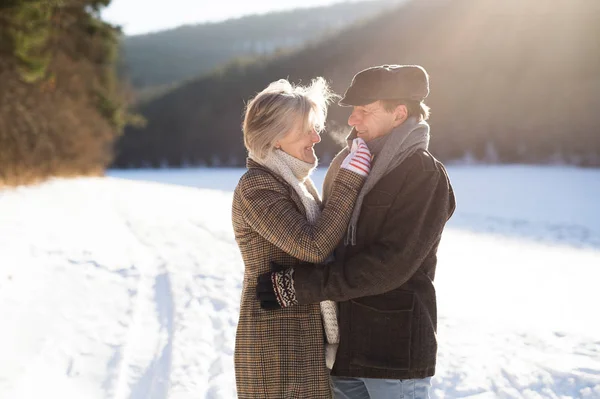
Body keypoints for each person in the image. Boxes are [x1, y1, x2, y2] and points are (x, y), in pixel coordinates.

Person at [257, 65, 456, 399]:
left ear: (399, 113)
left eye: (365, 110)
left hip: (394, 356)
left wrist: (301, 286)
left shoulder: (422, 173)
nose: (352, 120)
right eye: (352, 110)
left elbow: (390, 264)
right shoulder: (352, 165)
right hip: (345, 352)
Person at [232, 77, 373, 399]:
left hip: (303, 343)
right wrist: (350, 179)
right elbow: (313, 246)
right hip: (277, 348)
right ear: (276, 138)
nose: (316, 136)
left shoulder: (296, 185)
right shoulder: (257, 186)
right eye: (306, 129)